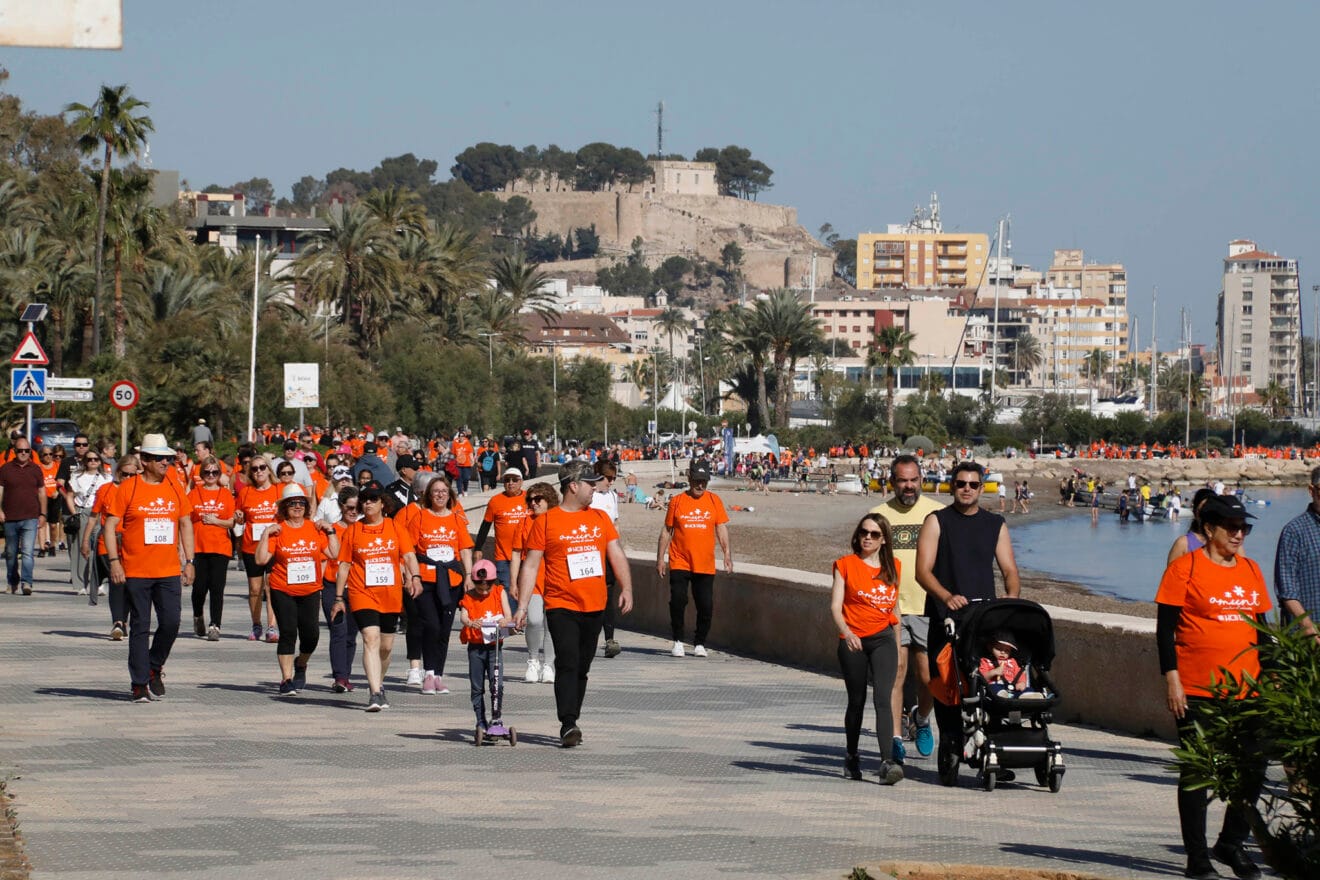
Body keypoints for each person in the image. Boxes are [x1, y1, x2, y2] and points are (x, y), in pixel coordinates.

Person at [1155, 494, 1270, 880]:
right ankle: (1197, 857)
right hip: (1198, 687)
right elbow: (1165, 630)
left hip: (1247, 690)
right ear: (1209, 530)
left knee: (1253, 768)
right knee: (1198, 772)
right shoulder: (1185, 569)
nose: (1239, 535)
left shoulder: (1251, 569)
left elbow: (1262, 631)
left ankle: (1230, 844)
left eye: (1244, 528)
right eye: (1232, 528)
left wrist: (1274, 679)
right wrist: (1172, 679)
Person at [513, 461, 633, 747]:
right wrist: (521, 606)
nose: (596, 487)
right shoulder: (546, 521)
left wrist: (627, 586)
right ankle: (568, 723)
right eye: (590, 483)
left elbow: (615, 552)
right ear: (573, 486)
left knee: (582, 666)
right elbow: (530, 566)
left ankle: (573, 716)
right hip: (561, 603)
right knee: (566, 661)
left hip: (595, 604)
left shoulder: (600, 518)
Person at [915, 460, 1021, 783]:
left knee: (987, 685)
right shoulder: (937, 521)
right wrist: (946, 597)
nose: (966, 489)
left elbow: (1010, 571)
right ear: (951, 485)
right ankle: (950, 747)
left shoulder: (995, 524)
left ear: (981, 487)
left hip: (982, 621)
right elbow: (923, 571)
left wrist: (1010, 600)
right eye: (961, 483)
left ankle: (990, 750)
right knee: (948, 689)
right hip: (945, 618)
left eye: (973, 485)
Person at [102, 434, 196, 703]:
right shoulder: (128, 488)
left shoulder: (175, 485)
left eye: (167, 457)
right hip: (136, 570)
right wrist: (114, 561)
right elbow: (109, 527)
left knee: (171, 622)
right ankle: (139, 683)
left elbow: (186, 523)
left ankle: (155, 665)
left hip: (168, 570)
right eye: (159, 458)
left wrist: (189, 561)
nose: (166, 462)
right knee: (140, 626)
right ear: (144, 461)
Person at [870, 453, 942, 763]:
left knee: (928, 678)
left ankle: (922, 721)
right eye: (902, 480)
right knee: (896, 674)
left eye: (914, 480)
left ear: (922, 480)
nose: (909, 486)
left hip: (928, 607)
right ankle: (896, 739)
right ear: (892, 482)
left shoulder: (938, 514)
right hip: (892, 609)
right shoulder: (878, 516)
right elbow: (867, 563)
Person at [330, 485, 421, 711]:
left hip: (390, 593)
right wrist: (339, 597)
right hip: (362, 592)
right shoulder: (354, 530)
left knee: (386, 647)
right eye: (364, 500)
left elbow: (409, 555)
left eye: (373, 499)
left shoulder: (395, 527)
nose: (368, 503)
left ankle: (379, 682)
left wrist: (415, 577)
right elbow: (344, 566)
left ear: (383, 503)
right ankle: (374, 692)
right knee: (371, 638)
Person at [830, 513, 903, 785]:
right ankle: (851, 756)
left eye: (874, 534)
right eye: (864, 532)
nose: (867, 538)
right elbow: (835, 607)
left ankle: (887, 763)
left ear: (884, 539)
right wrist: (847, 632)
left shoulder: (894, 567)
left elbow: (895, 608)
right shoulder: (845, 565)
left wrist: (897, 645)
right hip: (853, 640)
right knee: (857, 701)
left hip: (883, 639)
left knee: (883, 699)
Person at [256, 484, 339, 695]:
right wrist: (266, 533)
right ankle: (286, 679)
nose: (297, 507)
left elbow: (333, 553)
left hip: (310, 590)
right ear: (284, 507)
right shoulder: (278, 529)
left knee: (311, 635)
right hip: (282, 588)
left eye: (301, 503)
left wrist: (330, 531)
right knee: (288, 633)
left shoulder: (314, 527)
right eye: (292, 503)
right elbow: (260, 559)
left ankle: (301, 663)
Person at [657, 459, 732, 658]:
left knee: (705, 605)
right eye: (697, 481)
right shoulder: (677, 501)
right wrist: (660, 558)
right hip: (680, 559)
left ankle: (700, 643)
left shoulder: (714, 501)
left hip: (705, 562)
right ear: (689, 479)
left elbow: (721, 528)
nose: (700, 485)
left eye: (704, 481)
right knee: (679, 600)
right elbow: (667, 530)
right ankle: (678, 640)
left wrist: (727, 554)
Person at [407, 473, 474, 696]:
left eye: (443, 492)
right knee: (431, 626)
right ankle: (427, 673)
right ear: (428, 494)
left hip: (451, 579)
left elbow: (465, 548)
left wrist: (468, 575)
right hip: (426, 579)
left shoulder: (455, 518)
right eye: (435, 491)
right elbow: (408, 551)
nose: (440, 495)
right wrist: (410, 576)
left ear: (450, 495)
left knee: (445, 629)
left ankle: (438, 676)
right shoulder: (420, 517)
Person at [84, 455, 139, 639]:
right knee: (117, 581)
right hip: (109, 542)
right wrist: (85, 541)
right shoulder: (105, 490)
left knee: (130, 584)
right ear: (118, 472)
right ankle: (118, 622)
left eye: (133, 475)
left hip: (133, 543)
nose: (128, 479)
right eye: (125, 474)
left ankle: (124, 621)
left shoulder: (140, 492)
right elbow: (93, 516)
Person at [512, 481, 559, 683]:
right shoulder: (524, 522)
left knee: (552, 625)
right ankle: (533, 659)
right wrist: (513, 582)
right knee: (534, 620)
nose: (533, 503)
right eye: (530, 499)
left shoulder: (558, 520)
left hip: (555, 578)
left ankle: (548, 665)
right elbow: (515, 554)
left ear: (549, 500)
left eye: (538, 499)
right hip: (532, 579)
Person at [458, 559, 512, 735]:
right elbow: (464, 616)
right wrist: (470, 622)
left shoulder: (498, 592)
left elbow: (508, 614)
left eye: (487, 587)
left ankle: (496, 716)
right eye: (480, 588)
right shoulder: (469, 596)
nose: (484, 591)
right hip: (476, 647)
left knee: (497, 684)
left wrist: (506, 620)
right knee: (477, 686)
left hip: (494, 648)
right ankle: (480, 720)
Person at [188, 455, 235, 641]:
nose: (211, 475)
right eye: (207, 472)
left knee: (217, 588)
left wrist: (216, 520)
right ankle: (198, 615)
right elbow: (186, 521)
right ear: (202, 473)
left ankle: (215, 624)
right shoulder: (193, 494)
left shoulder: (225, 494)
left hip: (220, 547)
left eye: (215, 472)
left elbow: (232, 522)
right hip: (198, 546)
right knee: (199, 587)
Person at [235, 455, 281, 642]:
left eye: (262, 467)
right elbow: (239, 517)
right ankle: (256, 624)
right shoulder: (246, 492)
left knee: (271, 587)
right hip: (251, 547)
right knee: (255, 589)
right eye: (254, 469)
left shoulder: (279, 490)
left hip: (272, 547)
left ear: (269, 469)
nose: (259, 471)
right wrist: (238, 517)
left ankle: (272, 627)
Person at [320, 486, 361, 693]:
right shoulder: (331, 529)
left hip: (356, 587)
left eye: (357, 507)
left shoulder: (364, 529)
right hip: (332, 587)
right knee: (338, 630)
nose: (354, 512)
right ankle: (340, 677)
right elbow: (325, 556)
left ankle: (346, 675)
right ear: (341, 507)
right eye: (349, 508)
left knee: (351, 634)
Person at [1274, 465, 1320, 640]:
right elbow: (1287, 590)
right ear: (1312, 490)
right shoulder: (1294, 531)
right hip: (1306, 638)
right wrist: (1310, 629)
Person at [473, 467, 528, 611]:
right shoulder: (496, 501)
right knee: (508, 586)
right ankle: (514, 621)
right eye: (507, 480)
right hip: (503, 554)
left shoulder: (529, 499)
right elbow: (485, 526)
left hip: (526, 554)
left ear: (521, 482)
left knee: (524, 585)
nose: (510, 483)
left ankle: (521, 615)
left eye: (514, 480)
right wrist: (478, 548)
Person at [0, 436, 46, 596]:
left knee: (27, 552)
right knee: (11, 553)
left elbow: (42, 492)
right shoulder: (5, 469)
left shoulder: (35, 469)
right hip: (10, 517)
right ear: (15, 451)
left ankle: (27, 582)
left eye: (27, 451)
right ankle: (12, 582)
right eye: (20, 451)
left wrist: (43, 513)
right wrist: (0, 510)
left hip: (30, 516)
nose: (24, 454)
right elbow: (0, 491)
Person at [590, 459, 625, 658]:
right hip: (591, 551)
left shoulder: (612, 496)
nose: (611, 482)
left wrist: (618, 550)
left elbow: (616, 524)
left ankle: (610, 639)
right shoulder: (590, 495)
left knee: (608, 596)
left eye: (613, 478)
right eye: (608, 478)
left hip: (607, 551)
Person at [1168, 488, 1218, 566]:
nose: (1207, 514)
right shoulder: (1183, 544)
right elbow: (1170, 576)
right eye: (1203, 509)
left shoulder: (1226, 542)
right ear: (1195, 512)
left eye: (1211, 509)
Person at [977, 631, 1029, 698]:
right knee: (993, 688)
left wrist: (1022, 682)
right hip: (996, 685)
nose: (1002, 652)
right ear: (990, 648)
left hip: (1013, 687)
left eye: (1007, 650)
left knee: (1027, 689)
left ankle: (1028, 695)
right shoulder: (986, 661)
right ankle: (1002, 696)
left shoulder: (1012, 662)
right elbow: (982, 678)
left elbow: (1020, 674)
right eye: (999, 649)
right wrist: (993, 672)